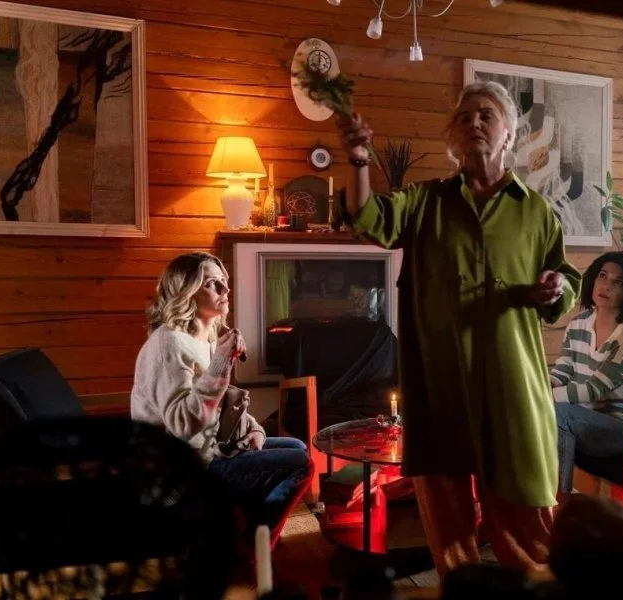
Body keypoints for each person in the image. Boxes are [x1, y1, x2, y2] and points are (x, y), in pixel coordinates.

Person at [335, 81, 582, 576]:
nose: (475, 124)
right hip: (441, 378)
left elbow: (565, 280)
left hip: (512, 380)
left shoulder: (535, 211)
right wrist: (359, 159)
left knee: (527, 511)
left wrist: (556, 287)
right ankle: (461, 587)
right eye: (465, 117)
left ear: (509, 132)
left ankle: (540, 587)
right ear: (452, 135)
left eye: (487, 115)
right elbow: (367, 217)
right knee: (447, 511)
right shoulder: (425, 202)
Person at [130, 252, 314, 549]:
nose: (225, 289)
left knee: (297, 447)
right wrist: (220, 363)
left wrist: (254, 429)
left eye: (223, 281)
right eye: (211, 284)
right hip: (180, 470)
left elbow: (222, 401)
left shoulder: (206, 334)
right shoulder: (170, 342)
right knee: (299, 464)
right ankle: (255, 546)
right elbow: (182, 425)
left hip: (210, 449)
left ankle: (244, 527)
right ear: (186, 292)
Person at [550, 251, 623, 501]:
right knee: (533, 410)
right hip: (588, 418)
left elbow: (594, 390)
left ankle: (558, 504)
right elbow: (563, 370)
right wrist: (536, 388)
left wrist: (543, 397)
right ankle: (531, 501)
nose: (606, 285)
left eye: (617, 282)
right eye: (602, 276)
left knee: (557, 413)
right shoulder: (578, 324)